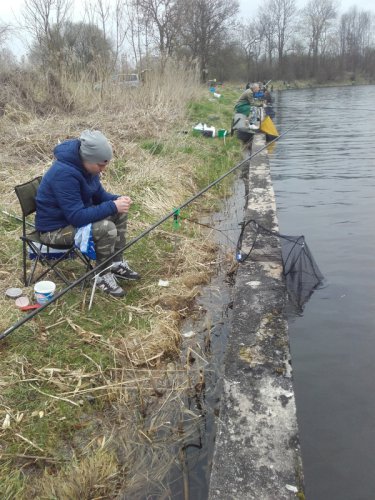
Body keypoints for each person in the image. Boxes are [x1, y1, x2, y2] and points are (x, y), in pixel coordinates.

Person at [35, 130, 140, 298]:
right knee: (106, 228)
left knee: (120, 213)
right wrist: (113, 206)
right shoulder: (64, 174)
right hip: (54, 230)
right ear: (87, 159)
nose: (103, 169)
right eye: (100, 165)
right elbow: (76, 217)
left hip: (71, 221)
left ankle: (115, 263)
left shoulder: (89, 169)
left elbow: (100, 196)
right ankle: (102, 275)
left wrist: (118, 200)